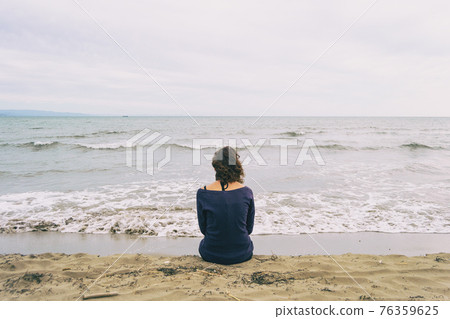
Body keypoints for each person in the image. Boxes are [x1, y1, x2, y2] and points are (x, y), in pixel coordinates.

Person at [196, 146, 255, 265]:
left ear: (214, 168)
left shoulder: (203, 193)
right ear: (237, 167)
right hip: (242, 252)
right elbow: (249, 229)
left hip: (211, 252)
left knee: (204, 242)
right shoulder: (247, 192)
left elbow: (203, 229)